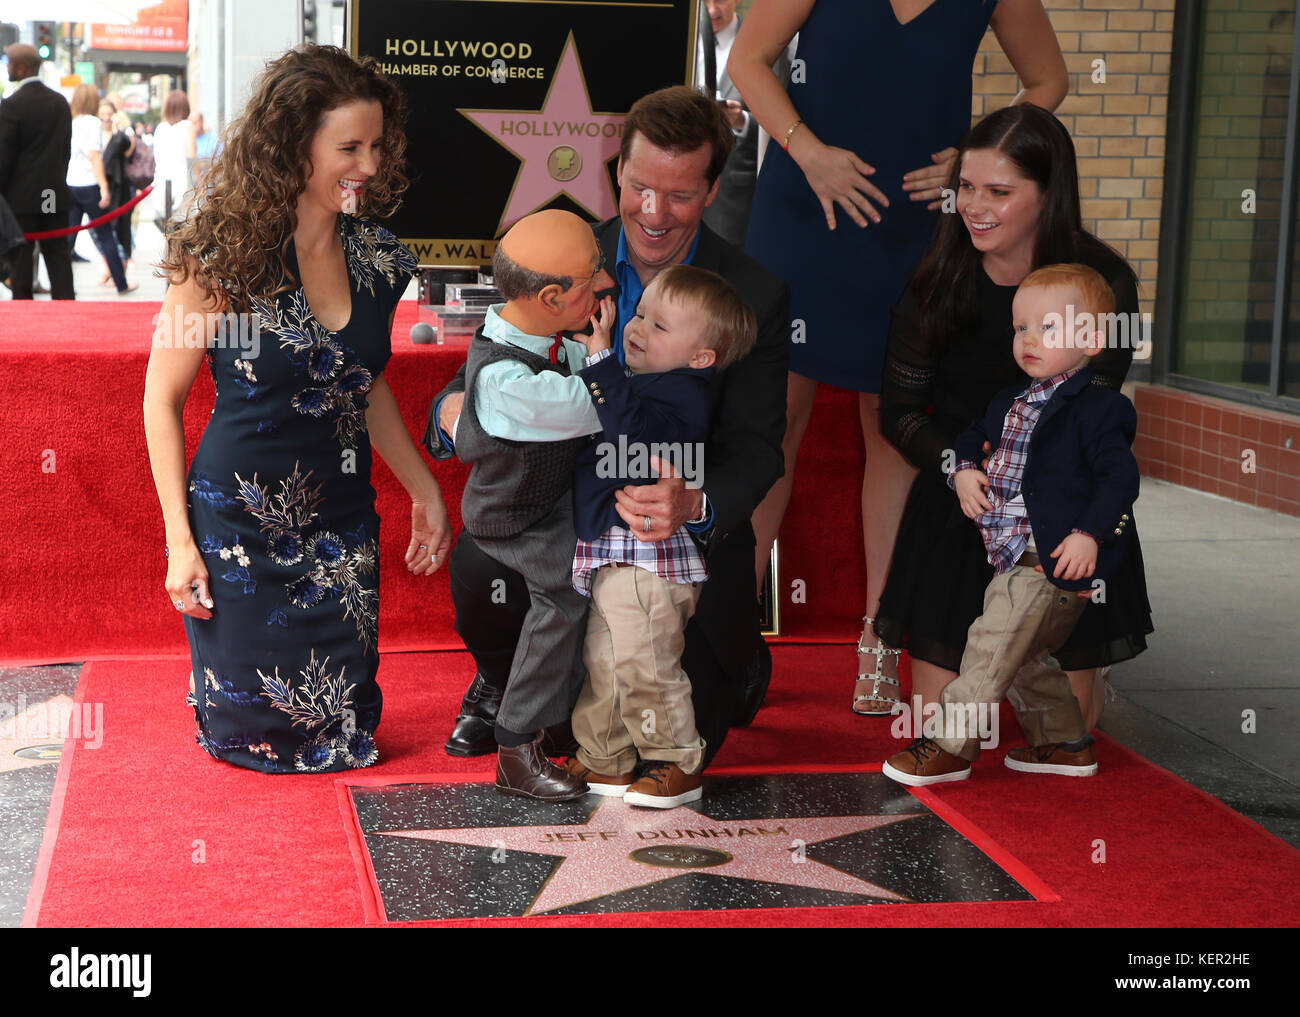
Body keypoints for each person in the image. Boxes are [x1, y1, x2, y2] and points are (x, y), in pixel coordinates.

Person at [425, 85, 790, 772]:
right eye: (641, 187)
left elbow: (756, 448)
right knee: (484, 559)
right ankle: (512, 688)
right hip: (566, 513)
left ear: (712, 191)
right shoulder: (564, 249)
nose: (654, 213)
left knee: (685, 743)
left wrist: (694, 503)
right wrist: (455, 414)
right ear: (617, 172)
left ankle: (735, 661)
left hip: (676, 541)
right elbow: (488, 364)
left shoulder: (754, 293)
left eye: (680, 195)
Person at [730, 0, 1068, 717]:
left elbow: (1047, 80)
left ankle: (879, 639)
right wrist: (808, 150)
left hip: (920, 222)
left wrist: (976, 155)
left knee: (895, 422)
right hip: (806, 205)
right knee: (772, 417)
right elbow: (746, 61)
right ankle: (726, 631)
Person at [143, 44, 451, 773]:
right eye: (349, 147)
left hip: (342, 524)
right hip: (242, 527)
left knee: (347, 734)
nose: (369, 166)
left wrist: (423, 486)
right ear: (293, 146)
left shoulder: (380, 259)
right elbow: (161, 399)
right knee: (253, 742)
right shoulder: (217, 256)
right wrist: (178, 541)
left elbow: (363, 383)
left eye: (377, 146)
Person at [874, 104, 1153, 733]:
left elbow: (1094, 411)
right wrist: (960, 469)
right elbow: (900, 414)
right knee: (934, 726)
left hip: (1065, 512)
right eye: (966, 187)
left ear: (1048, 195)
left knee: (1064, 734)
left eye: (999, 191)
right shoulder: (937, 283)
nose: (975, 205)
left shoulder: (1103, 281)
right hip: (963, 505)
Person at [882, 263, 1142, 785]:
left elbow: (1119, 481)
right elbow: (967, 439)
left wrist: (1089, 534)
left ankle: (949, 744)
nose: (1029, 339)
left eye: (1049, 328)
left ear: (1091, 339)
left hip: (1049, 560)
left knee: (990, 646)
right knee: (1026, 657)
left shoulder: (1100, 409)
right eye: (1021, 327)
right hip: (1010, 556)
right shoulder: (1010, 401)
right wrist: (961, 471)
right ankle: (1064, 744)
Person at [566, 267, 757, 808]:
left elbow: (630, 434)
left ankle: (675, 759)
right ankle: (604, 755)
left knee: (645, 662)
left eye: (661, 326)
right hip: (613, 550)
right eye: (641, 313)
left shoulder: (685, 395)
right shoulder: (642, 381)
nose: (638, 328)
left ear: (701, 358)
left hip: (650, 561)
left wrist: (601, 364)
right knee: (605, 659)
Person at [451, 208, 615, 802]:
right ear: (550, 295)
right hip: (515, 520)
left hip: (554, 503)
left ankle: (571, 718)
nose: (605, 285)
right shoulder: (505, 378)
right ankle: (516, 744)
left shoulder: (544, 340)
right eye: (591, 276)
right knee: (565, 593)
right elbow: (600, 405)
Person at [695, 0, 790, 247]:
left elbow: (786, 116)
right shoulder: (678, 43)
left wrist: (742, 122)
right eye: (705, 1)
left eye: (721, 0)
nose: (713, 10)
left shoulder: (771, 46)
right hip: (681, 192)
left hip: (736, 201)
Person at [0, 43, 74, 299]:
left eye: (9, 63)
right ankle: (67, 312)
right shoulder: (59, 102)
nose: (7, 68)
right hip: (51, 194)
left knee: (21, 261)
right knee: (57, 256)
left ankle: (24, 316)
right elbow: (65, 152)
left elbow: (4, 158)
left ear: (21, 67)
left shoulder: (11, 105)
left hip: (20, 199)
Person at [66, 84, 135, 295]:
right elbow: (94, 156)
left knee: (68, 237)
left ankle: (63, 286)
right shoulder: (93, 123)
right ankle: (121, 284)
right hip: (90, 185)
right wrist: (104, 188)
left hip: (71, 183)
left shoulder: (72, 122)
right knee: (106, 236)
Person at [98, 98, 136, 282]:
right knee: (99, 230)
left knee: (121, 228)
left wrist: (116, 129)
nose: (105, 118)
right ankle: (108, 266)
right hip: (98, 187)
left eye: (108, 114)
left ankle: (120, 268)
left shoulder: (122, 134)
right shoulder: (94, 135)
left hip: (119, 189)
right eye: (102, 114)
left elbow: (127, 149)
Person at [152, 89, 196, 225]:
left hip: (160, 184)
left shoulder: (160, 128)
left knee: (168, 231)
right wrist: (199, 180)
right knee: (183, 231)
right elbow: (191, 156)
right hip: (182, 185)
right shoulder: (187, 126)